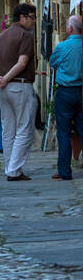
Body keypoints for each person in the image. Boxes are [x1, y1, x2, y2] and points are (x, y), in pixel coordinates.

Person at [0, 2, 38, 182]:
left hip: (2, 88)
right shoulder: (25, 36)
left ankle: (9, 167)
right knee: (24, 128)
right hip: (19, 84)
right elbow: (22, 63)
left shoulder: (1, 36)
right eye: (32, 18)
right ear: (23, 17)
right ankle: (14, 169)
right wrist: (6, 79)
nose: (33, 22)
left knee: (8, 128)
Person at [49, 15, 82, 181]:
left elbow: (53, 63)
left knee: (63, 132)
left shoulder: (63, 46)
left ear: (69, 29)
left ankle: (64, 171)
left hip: (65, 92)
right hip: (81, 91)